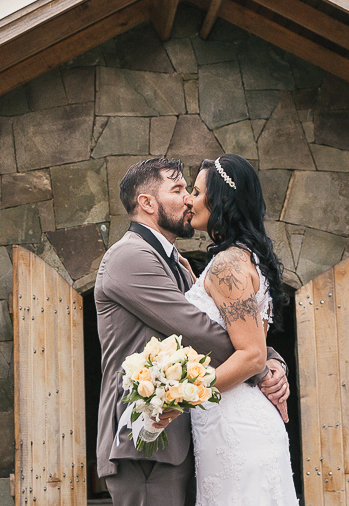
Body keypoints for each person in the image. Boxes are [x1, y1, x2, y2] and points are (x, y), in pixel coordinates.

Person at [93, 157, 291, 506]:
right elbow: (198, 330)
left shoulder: (180, 265)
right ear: (147, 203)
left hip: (187, 436)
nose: (188, 198)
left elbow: (232, 323)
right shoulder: (130, 257)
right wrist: (258, 363)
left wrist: (270, 358)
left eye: (191, 190)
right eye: (179, 189)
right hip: (146, 442)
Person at [184, 154, 300, 506]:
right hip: (229, 419)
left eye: (196, 191)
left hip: (236, 425)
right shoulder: (242, 257)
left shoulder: (227, 265)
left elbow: (251, 355)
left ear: (221, 201)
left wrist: (182, 396)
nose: (189, 200)